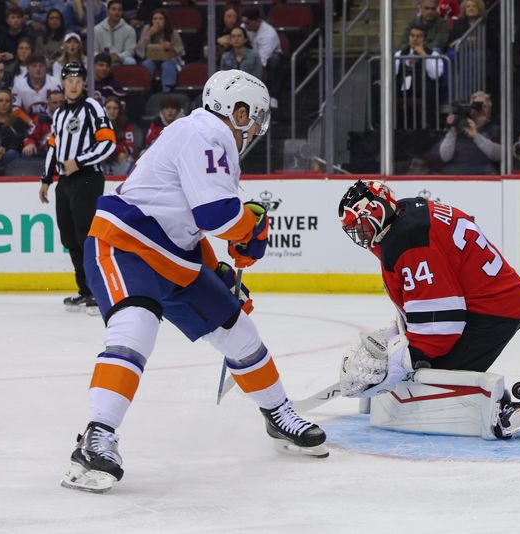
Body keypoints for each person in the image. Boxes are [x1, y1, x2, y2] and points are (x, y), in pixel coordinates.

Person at [59, 70, 327, 494]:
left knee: (239, 332)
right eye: (254, 117)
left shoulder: (202, 139)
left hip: (173, 257)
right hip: (125, 245)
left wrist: (217, 268)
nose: (256, 128)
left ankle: (278, 414)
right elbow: (217, 216)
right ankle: (96, 437)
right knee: (136, 329)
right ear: (238, 112)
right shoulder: (204, 132)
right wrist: (251, 229)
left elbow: (189, 224)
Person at [336, 180, 520, 440]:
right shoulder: (407, 214)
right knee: (421, 369)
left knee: (429, 378)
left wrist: (404, 360)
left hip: (494, 311)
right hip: (484, 302)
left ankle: (505, 408)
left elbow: (441, 329)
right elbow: (433, 294)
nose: (359, 235)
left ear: (377, 211)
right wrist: (402, 332)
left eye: (360, 225)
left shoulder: (408, 240)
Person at [38, 62, 116, 313]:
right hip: (65, 182)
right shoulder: (59, 113)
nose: (73, 85)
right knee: (70, 238)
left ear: (84, 83)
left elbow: (109, 143)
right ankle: (84, 290)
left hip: (87, 179)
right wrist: (46, 179)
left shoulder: (93, 107)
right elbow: (53, 146)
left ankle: (98, 292)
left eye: (78, 80)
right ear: (62, 83)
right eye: (69, 80)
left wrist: (79, 161)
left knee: (86, 236)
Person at [394, 24, 444, 130]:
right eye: (412, 36)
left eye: (419, 36)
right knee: (379, 88)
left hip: (422, 87)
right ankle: (381, 124)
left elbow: (435, 75)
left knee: (429, 87)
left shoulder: (434, 55)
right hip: (403, 87)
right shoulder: (399, 54)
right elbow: (392, 74)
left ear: (425, 40)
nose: (415, 39)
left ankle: (428, 126)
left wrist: (424, 55)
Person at [437, 90, 500, 173]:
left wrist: (476, 137)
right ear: (470, 108)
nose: (479, 110)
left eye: (483, 106)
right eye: (476, 106)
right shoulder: (461, 126)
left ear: (490, 110)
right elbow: (445, 156)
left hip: (485, 176)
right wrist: (452, 132)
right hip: (457, 175)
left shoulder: (496, 129)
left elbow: (499, 155)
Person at [241, 6, 282, 108]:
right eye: (244, 22)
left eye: (248, 23)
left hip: (268, 62)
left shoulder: (269, 34)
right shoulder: (244, 27)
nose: (245, 26)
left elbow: (261, 61)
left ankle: (273, 97)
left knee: (274, 61)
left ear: (258, 21)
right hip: (248, 57)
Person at [135, 8, 184, 92]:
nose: (157, 21)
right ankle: (146, 90)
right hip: (151, 59)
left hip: (168, 60)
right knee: (147, 64)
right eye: (155, 19)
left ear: (165, 21)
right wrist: (148, 36)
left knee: (167, 66)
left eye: (161, 19)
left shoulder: (172, 31)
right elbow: (139, 51)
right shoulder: (147, 29)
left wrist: (171, 47)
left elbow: (181, 51)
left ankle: (167, 91)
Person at [93, 0, 137, 65]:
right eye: (113, 9)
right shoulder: (97, 29)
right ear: (108, 12)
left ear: (122, 12)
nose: (116, 12)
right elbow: (93, 51)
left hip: (120, 59)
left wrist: (118, 57)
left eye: (119, 10)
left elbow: (130, 51)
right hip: (101, 60)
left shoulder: (129, 30)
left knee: (130, 61)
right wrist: (103, 56)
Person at [22, 89, 63, 157]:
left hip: (65, 154)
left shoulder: (72, 118)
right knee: (27, 152)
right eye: (55, 102)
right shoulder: (39, 118)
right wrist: (30, 144)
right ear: (48, 103)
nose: (58, 105)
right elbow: (29, 137)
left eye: (61, 102)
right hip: (43, 154)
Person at [100, 96, 135, 175]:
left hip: (118, 158)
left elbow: (130, 149)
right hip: (103, 158)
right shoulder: (97, 124)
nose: (112, 111)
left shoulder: (126, 125)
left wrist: (111, 150)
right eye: (108, 108)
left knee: (123, 156)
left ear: (119, 110)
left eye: (115, 108)